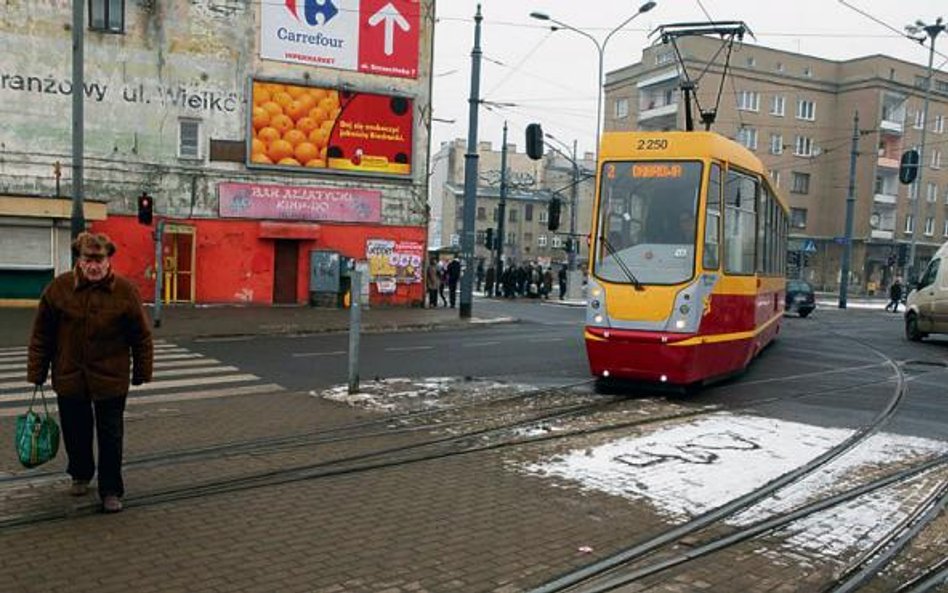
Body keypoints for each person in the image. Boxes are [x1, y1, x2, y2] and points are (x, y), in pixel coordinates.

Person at [27, 232, 153, 514]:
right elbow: (42, 335)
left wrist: (142, 371)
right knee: (76, 431)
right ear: (79, 261)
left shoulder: (125, 291)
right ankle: (81, 474)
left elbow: (141, 336)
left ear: (109, 261)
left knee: (111, 436)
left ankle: (110, 490)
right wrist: (37, 371)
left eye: (100, 260)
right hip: (70, 376)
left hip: (111, 378)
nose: (94, 266)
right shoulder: (58, 289)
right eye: (88, 260)